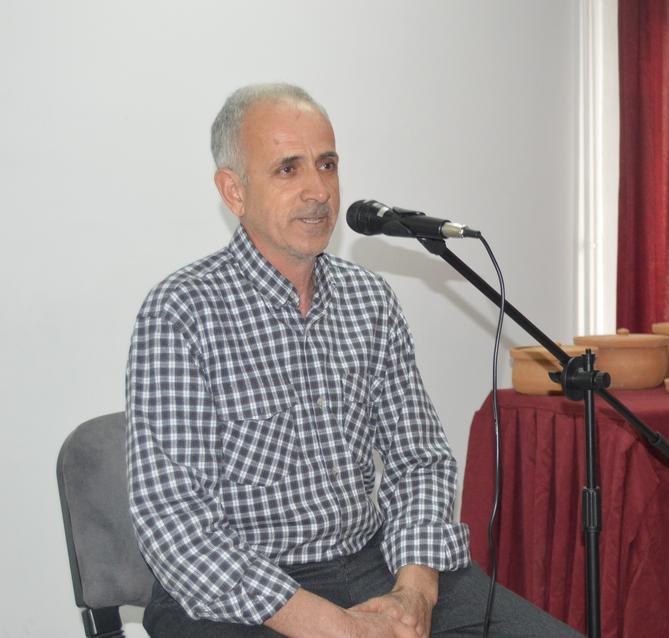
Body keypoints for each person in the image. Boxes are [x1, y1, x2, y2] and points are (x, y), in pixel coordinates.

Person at [126, 83, 584, 638]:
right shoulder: (181, 311)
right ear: (233, 191)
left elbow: (419, 459)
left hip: (373, 564)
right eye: (288, 169)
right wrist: (333, 626)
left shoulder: (368, 300)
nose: (319, 191)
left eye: (327, 164)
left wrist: (414, 591)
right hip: (241, 591)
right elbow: (173, 520)